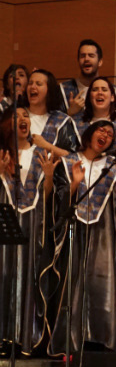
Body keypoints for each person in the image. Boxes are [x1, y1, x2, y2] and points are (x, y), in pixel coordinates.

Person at [49, 121, 116, 355]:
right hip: (74, 231)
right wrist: (75, 183)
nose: (105, 135)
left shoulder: (114, 166)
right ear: (89, 134)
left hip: (104, 232)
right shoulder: (69, 162)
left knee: (101, 283)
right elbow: (58, 199)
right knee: (74, 284)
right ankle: (71, 338)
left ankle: (102, 336)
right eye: (101, 131)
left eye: (110, 134)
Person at [0, 107, 58, 354]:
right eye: (17, 116)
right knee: (4, 275)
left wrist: (48, 178)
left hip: (32, 225)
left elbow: (45, 198)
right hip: (6, 222)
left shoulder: (40, 154)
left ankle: (24, 338)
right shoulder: (2, 154)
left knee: (28, 277)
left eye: (26, 116)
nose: (23, 120)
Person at [56, 77, 116, 154]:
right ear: (89, 97)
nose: (100, 92)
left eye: (104, 89)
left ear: (112, 97)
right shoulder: (76, 123)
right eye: (95, 90)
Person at [60, 39, 116, 118]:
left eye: (91, 56)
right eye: (82, 56)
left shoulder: (114, 93)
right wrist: (70, 113)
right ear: (78, 61)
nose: (86, 59)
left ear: (100, 62)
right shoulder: (63, 90)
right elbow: (53, 125)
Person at [25, 69, 70, 145]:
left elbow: (70, 155)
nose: (32, 86)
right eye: (30, 83)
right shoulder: (15, 115)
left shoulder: (61, 120)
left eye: (38, 84)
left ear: (49, 90)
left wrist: (46, 145)